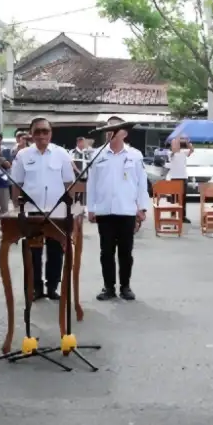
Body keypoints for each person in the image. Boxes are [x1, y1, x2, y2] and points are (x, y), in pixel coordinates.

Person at [10, 117, 76, 301]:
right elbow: (16, 184)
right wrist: (16, 207)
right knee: (33, 253)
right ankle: (36, 288)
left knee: (56, 251)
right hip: (32, 210)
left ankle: (52, 287)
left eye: (45, 131)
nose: (41, 135)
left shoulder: (61, 154)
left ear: (51, 133)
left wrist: (71, 208)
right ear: (31, 134)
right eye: (37, 131)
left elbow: (69, 183)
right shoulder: (23, 155)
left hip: (57, 210)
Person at [87, 121, 149, 301]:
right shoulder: (97, 154)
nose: (110, 133)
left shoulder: (134, 155)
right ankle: (108, 287)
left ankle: (125, 286)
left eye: (115, 129)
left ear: (124, 134)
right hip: (105, 210)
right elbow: (91, 184)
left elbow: (141, 183)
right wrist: (91, 208)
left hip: (127, 209)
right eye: (108, 129)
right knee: (106, 252)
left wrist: (142, 207)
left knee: (125, 252)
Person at [166, 137, 192, 223]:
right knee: (174, 198)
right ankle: (173, 215)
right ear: (171, 145)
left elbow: (192, 150)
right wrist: (177, 141)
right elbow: (173, 153)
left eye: (177, 144)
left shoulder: (184, 152)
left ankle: (182, 216)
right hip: (174, 178)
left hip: (183, 177)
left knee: (183, 198)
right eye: (174, 144)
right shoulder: (170, 153)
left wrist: (187, 142)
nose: (176, 145)